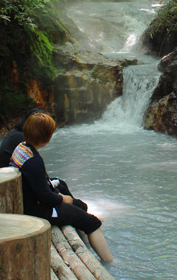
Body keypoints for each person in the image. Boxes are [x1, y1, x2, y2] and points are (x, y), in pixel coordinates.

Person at [10, 112, 114, 262]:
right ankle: (109, 262)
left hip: (28, 201)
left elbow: (37, 185)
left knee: (72, 198)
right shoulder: (34, 161)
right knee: (92, 223)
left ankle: (84, 229)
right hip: (39, 211)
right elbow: (46, 197)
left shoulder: (22, 147)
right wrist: (63, 199)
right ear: (47, 138)